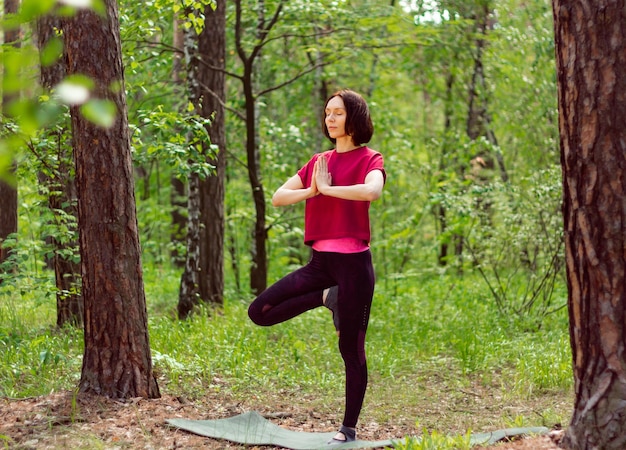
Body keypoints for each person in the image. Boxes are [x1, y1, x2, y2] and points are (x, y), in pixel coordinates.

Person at [248, 89, 386, 445]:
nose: (330, 119)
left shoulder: (370, 158)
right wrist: (313, 190)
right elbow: (279, 197)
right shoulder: (319, 161)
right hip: (321, 264)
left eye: (337, 113)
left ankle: (348, 428)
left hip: (354, 266)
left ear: (354, 117)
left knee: (351, 349)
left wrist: (330, 188)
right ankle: (327, 297)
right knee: (260, 311)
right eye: (327, 113)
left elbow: (372, 192)